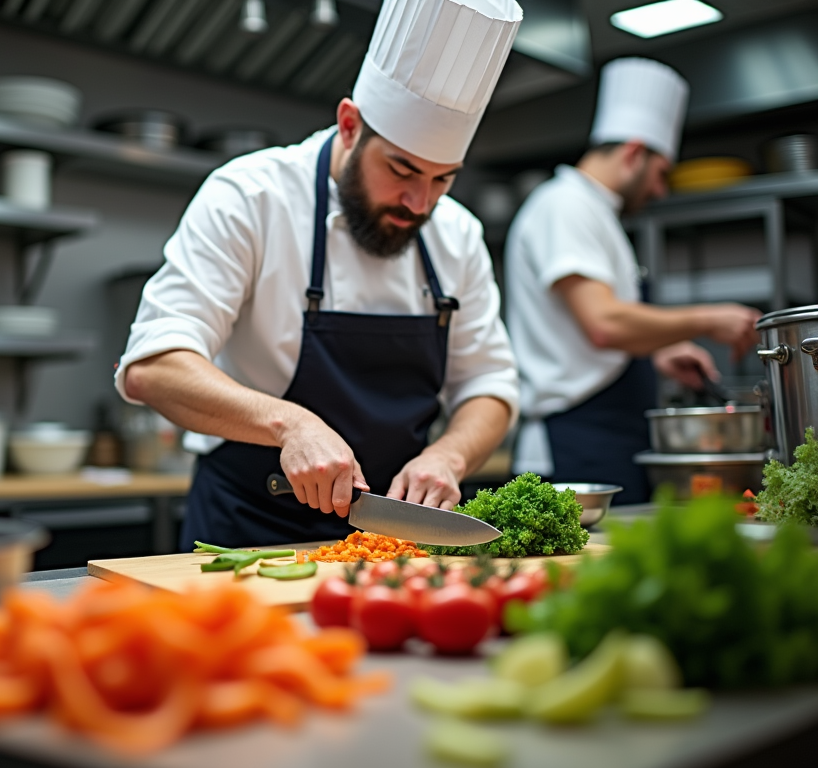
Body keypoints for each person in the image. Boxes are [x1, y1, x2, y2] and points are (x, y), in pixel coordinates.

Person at [116, 0, 524, 549]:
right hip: (248, 531)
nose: (419, 203)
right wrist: (290, 424)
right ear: (350, 126)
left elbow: (491, 387)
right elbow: (154, 367)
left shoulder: (457, 233)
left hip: (391, 539)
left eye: (442, 179)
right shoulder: (250, 196)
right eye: (401, 169)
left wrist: (448, 455)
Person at [505, 58, 760, 504]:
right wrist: (707, 319)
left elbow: (590, 334)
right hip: (575, 444)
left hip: (606, 436)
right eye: (661, 172)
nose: (661, 189)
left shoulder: (595, 213)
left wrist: (657, 350)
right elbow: (603, 323)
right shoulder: (564, 205)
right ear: (633, 154)